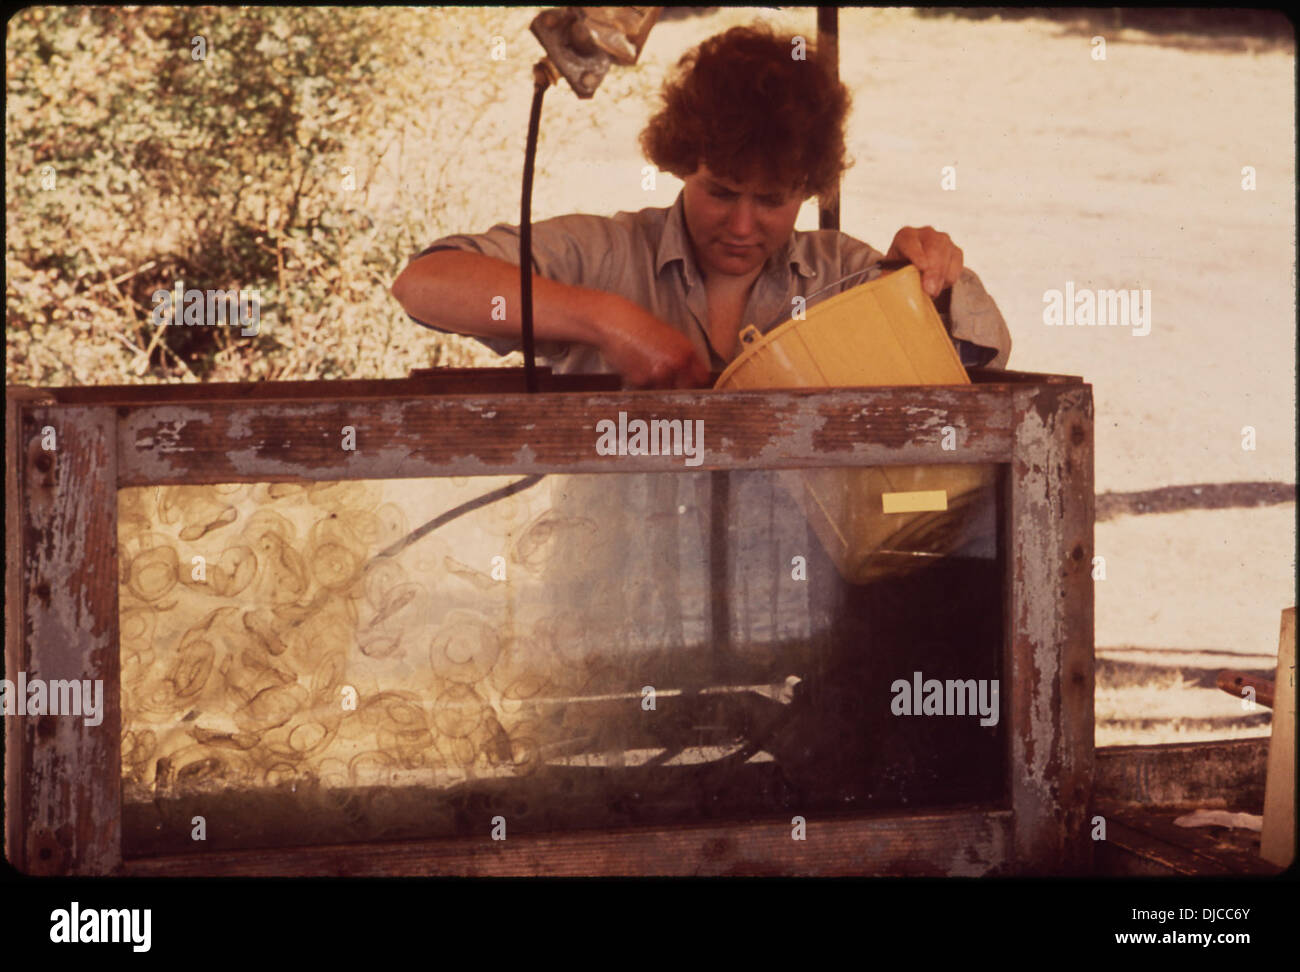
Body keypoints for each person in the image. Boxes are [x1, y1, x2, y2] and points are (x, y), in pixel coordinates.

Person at [392, 23, 1011, 385]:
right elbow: (425, 283)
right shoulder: (607, 257)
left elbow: (986, 357)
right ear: (682, 161)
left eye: (772, 200)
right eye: (720, 191)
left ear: (811, 185)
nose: (742, 226)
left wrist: (927, 284)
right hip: (617, 589)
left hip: (793, 591)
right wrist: (608, 321)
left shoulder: (843, 275)